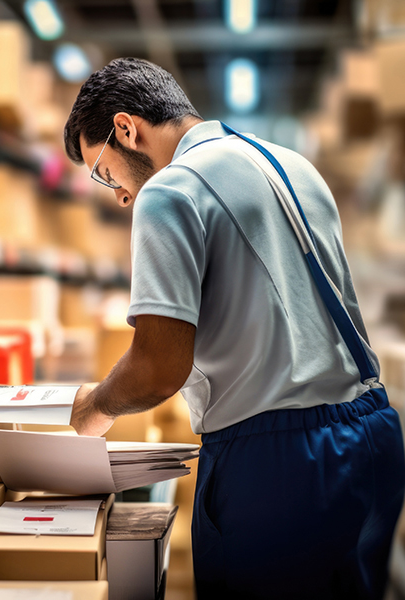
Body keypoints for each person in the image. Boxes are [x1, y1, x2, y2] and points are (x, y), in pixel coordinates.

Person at [64, 57, 405, 599]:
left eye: (106, 174)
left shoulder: (169, 191)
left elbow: (158, 369)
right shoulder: (293, 166)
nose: (120, 195)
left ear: (127, 129)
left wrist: (93, 407)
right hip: (373, 438)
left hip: (276, 470)